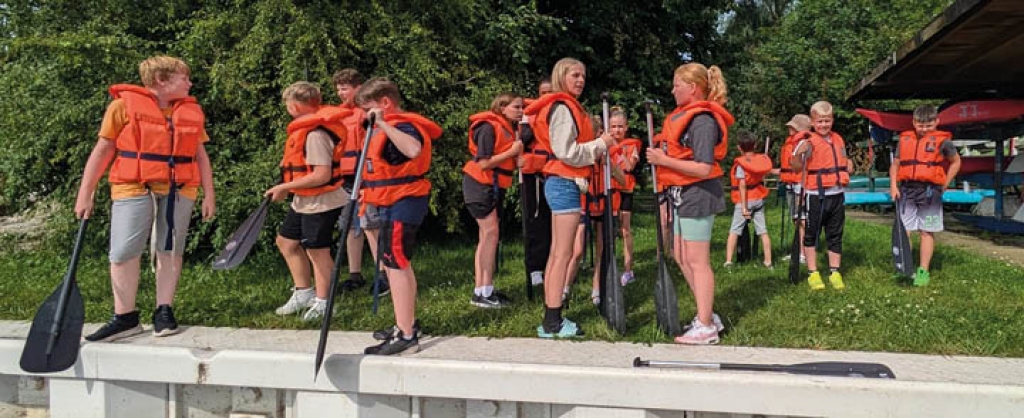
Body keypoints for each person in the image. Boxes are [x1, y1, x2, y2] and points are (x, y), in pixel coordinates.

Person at [75, 56, 216, 341]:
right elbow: (102, 152)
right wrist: (85, 194)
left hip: (179, 188)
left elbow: (201, 155)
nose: (189, 83)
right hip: (133, 186)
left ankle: (164, 310)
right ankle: (125, 316)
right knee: (124, 251)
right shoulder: (121, 107)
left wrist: (209, 194)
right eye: (183, 78)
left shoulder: (189, 112)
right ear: (162, 81)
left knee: (170, 250)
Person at [524, 58, 615, 338]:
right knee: (562, 253)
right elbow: (566, 151)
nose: (580, 80)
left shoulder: (563, 106)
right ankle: (553, 321)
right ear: (562, 76)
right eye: (575, 75)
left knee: (556, 254)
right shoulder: (562, 108)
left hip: (560, 182)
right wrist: (601, 144)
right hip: (563, 182)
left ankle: (551, 317)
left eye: (583, 76)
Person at [647, 62, 732, 345]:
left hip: (699, 194)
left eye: (677, 85)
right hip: (682, 194)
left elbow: (704, 168)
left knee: (697, 261)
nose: (672, 90)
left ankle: (706, 326)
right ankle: (705, 314)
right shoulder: (685, 117)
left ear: (692, 88)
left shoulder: (703, 121)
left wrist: (663, 161)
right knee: (680, 255)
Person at [356, 77, 443, 355]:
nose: (363, 115)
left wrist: (381, 123)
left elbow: (413, 149)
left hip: (403, 201)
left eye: (367, 108)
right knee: (395, 264)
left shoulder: (403, 125)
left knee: (396, 263)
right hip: (388, 200)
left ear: (384, 104)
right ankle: (406, 324)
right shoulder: (387, 128)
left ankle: (406, 336)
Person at [266, 82, 351, 321]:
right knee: (286, 242)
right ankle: (303, 292)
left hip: (322, 202)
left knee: (317, 251)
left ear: (294, 105)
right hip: (304, 200)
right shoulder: (303, 131)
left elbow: (321, 174)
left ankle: (325, 302)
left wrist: (284, 187)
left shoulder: (316, 134)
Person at [463, 93, 525, 308]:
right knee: (491, 234)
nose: (521, 111)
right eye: (516, 107)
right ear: (502, 107)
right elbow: (483, 163)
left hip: (491, 186)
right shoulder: (488, 127)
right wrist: (511, 152)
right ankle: (484, 292)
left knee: (486, 236)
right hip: (481, 186)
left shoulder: (506, 128)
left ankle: (482, 289)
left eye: (522, 107)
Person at [889, 105, 961, 286]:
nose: (924, 129)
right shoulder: (904, 139)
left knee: (926, 231)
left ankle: (923, 270)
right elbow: (896, 164)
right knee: (904, 230)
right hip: (907, 190)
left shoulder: (943, 142)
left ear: (937, 122)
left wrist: (945, 183)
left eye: (929, 125)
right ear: (914, 122)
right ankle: (905, 267)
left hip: (930, 191)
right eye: (920, 125)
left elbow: (956, 162)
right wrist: (893, 185)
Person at [791, 101, 852, 291]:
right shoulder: (808, 142)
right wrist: (796, 155)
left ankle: (835, 271)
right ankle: (813, 272)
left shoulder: (838, 139)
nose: (824, 125)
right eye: (820, 122)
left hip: (837, 194)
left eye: (827, 121)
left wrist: (848, 165)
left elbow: (842, 159)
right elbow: (796, 167)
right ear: (813, 122)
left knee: (835, 234)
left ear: (832, 120)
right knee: (811, 234)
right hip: (815, 194)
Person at [331, 68, 371, 292]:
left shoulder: (367, 114)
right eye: (338, 89)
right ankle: (355, 274)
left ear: (358, 88)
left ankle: (384, 274)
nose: (340, 93)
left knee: (371, 224)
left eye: (344, 88)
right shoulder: (338, 115)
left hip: (364, 175)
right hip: (345, 177)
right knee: (349, 224)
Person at [519, 78, 555, 287]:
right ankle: (534, 267)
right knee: (534, 219)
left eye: (550, 92)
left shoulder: (559, 112)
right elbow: (523, 138)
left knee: (553, 221)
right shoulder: (529, 113)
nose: (546, 96)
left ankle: (552, 263)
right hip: (533, 172)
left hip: (554, 171)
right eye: (543, 92)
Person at [724, 132, 774, 268]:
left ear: (739, 148)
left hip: (745, 200)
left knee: (734, 231)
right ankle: (768, 262)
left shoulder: (741, 165)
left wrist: (744, 207)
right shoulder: (759, 161)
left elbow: (742, 185)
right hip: (759, 198)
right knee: (763, 231)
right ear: (755, 145)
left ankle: (728, 262)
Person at [607, 107, 642, 285]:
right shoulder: (605, 143)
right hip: (610, 191)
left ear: (626, 127)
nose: (617, 130)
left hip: (625, 191)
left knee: (625, 230)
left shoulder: (631, 146)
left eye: (620, 126)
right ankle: (609, 265)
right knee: (609, 231)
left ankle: (628, 270)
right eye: (613, 127)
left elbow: (629, 167)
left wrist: (618, 150)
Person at [779, 114, 812, 264]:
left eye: (792, 126)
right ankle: (799, 251)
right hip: (790, 183)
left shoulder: (805, 143)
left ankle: (804, 254)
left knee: (802, 220)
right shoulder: (791, 143)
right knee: (796, 219)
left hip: (800, 184)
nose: (789, 129)